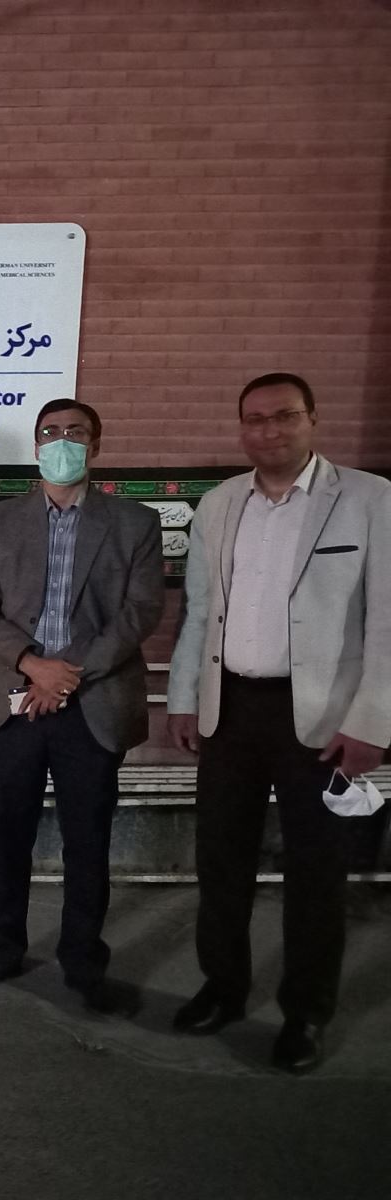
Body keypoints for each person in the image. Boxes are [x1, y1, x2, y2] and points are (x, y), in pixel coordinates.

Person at [167, 372, 391, 1074]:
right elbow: (199, 613)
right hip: (230, 708)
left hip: (322, 717)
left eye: (284, 416)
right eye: (255, 419)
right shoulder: (220, 504)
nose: (268, 430)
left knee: (316, 872)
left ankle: (306, 1012)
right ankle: (223, 987)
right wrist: (182, 698)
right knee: (220, 861)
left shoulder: (370, 500)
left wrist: (372, 721)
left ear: (312, 420)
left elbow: (387, 622)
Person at [0, 400, 164, 1013]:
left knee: (87, 841)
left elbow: (139, 613)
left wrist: (65, 677)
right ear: (36, 445)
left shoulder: (135, 523)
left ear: (95, 445)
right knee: (8, 834)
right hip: (13, 700)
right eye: (50, 432)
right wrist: (32, 664)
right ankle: (1, 949)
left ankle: (83, 963)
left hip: (93, 701)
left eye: (75, 432)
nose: (61, 440)